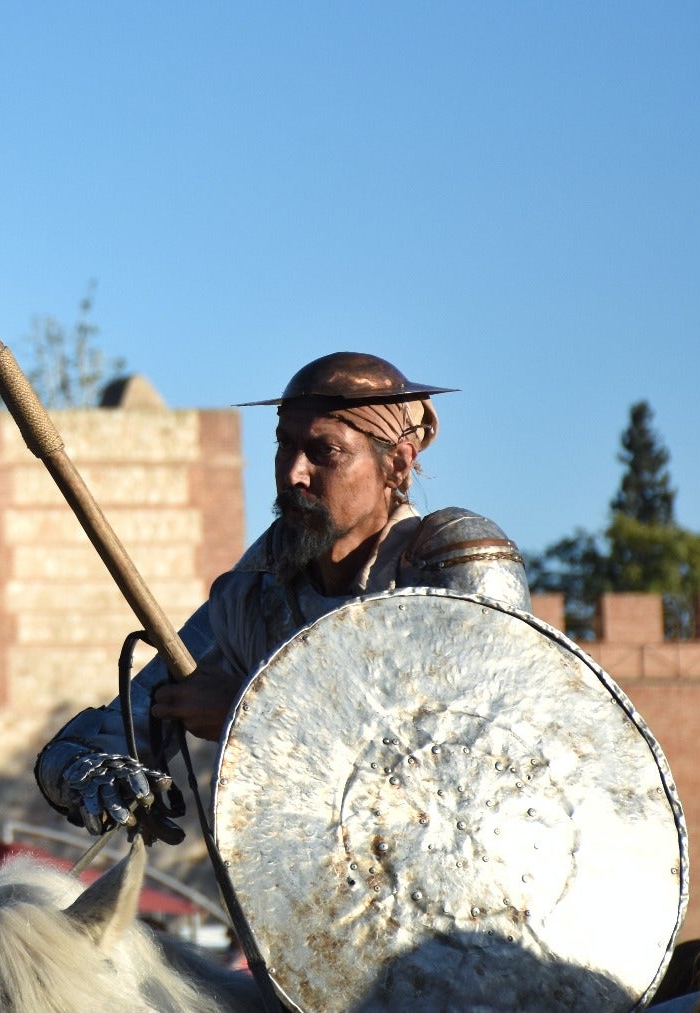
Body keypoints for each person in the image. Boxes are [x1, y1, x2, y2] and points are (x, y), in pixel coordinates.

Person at [34, 351, 531, 839]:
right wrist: (90, 770)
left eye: (324, 452)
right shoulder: (254, 593)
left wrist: (250, 712)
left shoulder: (452, 566)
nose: (293, 473)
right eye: (284, 445)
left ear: (397, 465)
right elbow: (116, 728)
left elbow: (486, 759)